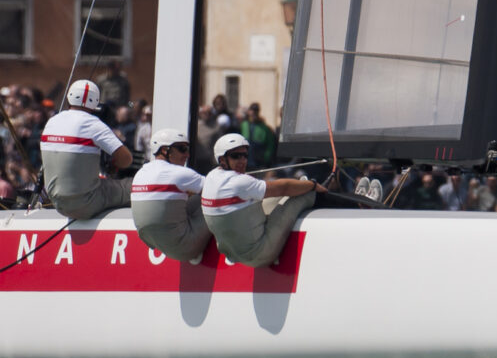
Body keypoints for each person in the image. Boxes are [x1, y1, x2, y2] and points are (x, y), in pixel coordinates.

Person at [201, 132, 320, 267]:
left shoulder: (211, 176)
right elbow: (284, 187)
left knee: (270, 196)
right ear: (222, 160)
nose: (243, 161)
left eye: (245, 156)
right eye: (236, 156)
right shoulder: (240, 182)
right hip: (259, 255)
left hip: (231, 253)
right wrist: (313, 185)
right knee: (304, 194)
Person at [42, 78, 134, 219]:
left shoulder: (52, 122)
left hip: (57, 203)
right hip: (85, 203)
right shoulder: (93, 124)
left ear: (69, 97)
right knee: (132, 186)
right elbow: (126, 160)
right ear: (96, 102)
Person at [131, 128, 211, 263]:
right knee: (212, 199)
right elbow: (219, 191)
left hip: (155, 244)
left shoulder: (141, 173)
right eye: (182, 149)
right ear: (164, 150)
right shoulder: (181, 173)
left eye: (188, 149)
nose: (187, 155)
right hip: (186, 248)